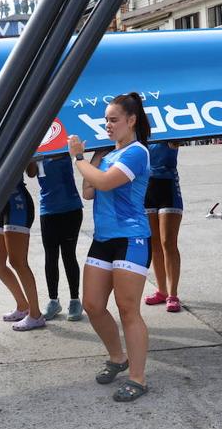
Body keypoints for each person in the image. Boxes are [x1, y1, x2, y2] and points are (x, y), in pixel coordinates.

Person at [68, 92, 152, 402]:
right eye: (106, 120)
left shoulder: (137, 152)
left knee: (128, 309)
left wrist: (78, 158)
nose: (108, 125)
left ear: (131, 121)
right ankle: (118, 357)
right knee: (92, 304)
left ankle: (138, 377)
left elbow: (102, 183)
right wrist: (91, 162)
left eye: (114, 120)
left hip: (131, 239)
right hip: (104, 238)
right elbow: (89, 191)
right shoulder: (107, 154)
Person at [0, 166, 45, 331]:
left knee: (18, 262)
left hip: (16, 201)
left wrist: (33, 154)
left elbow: (32, 171)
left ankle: (35, 315)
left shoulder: (9, 139)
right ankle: (22, 306)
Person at [34, 154, 84, 321]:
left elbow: (65, 153)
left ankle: (75, 300)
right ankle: (53, 300)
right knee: (50, 256)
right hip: (47, 210)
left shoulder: (59, 146)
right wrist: (31, 156)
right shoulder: (37, 148)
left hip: (70, 208)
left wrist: (43, 151)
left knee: (69, 255)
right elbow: (31, 172)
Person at [143, 140, 184, 312]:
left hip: (168, 188)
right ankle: (161, 291)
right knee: (154, 243)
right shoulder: (138, 131)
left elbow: (181, 138)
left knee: (168, 242)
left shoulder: (168, 130)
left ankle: (172, 294)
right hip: (146, 188)